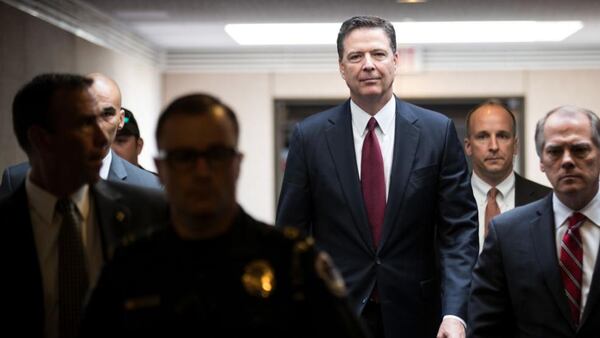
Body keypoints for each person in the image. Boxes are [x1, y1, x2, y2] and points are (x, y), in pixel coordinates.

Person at [79, 94, 368, 338]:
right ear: (160, 168)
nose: (202, 171)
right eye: (185, 157)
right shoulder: (131, 266)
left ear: (237, 164)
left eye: (216, 155)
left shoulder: (292, 260)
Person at [276, 16, 478, 338]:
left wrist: (455, 312)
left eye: (378, 54)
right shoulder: (309, 137)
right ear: (342, 68)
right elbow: (292, 235)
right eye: (356, 56)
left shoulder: (436, 132)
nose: (368, 65)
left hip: (420, 315)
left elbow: (458, 233)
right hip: (334, 313)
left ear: (395, 61)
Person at [0, 74, 168, 338]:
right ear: (42, 139)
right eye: (84, 124)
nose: (103, 138)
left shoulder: (147, 211)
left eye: (104, 119)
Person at [468, 105, 600, 337]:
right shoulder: (507, 232)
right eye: (555, 151)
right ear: (541, 161)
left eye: (579, 150)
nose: (567, 161)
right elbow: (487, 327)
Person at [0, 73, 160, 198]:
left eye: (107, 114)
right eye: (85, 118)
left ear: (120, 119)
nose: (98, 130)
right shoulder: (16, 179)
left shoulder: (149, 186)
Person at [464, 99, 551, 250]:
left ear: (515, 145)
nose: (493, 146)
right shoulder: (446, 200)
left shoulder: (547, 201)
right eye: (482, 136)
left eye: (502, 136)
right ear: (468, 146)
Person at [111, 107, 156, 174]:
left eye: (120, 141)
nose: (110, 151)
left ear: (138, 146)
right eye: (103, 142)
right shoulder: (92, 183)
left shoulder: (158, 183)